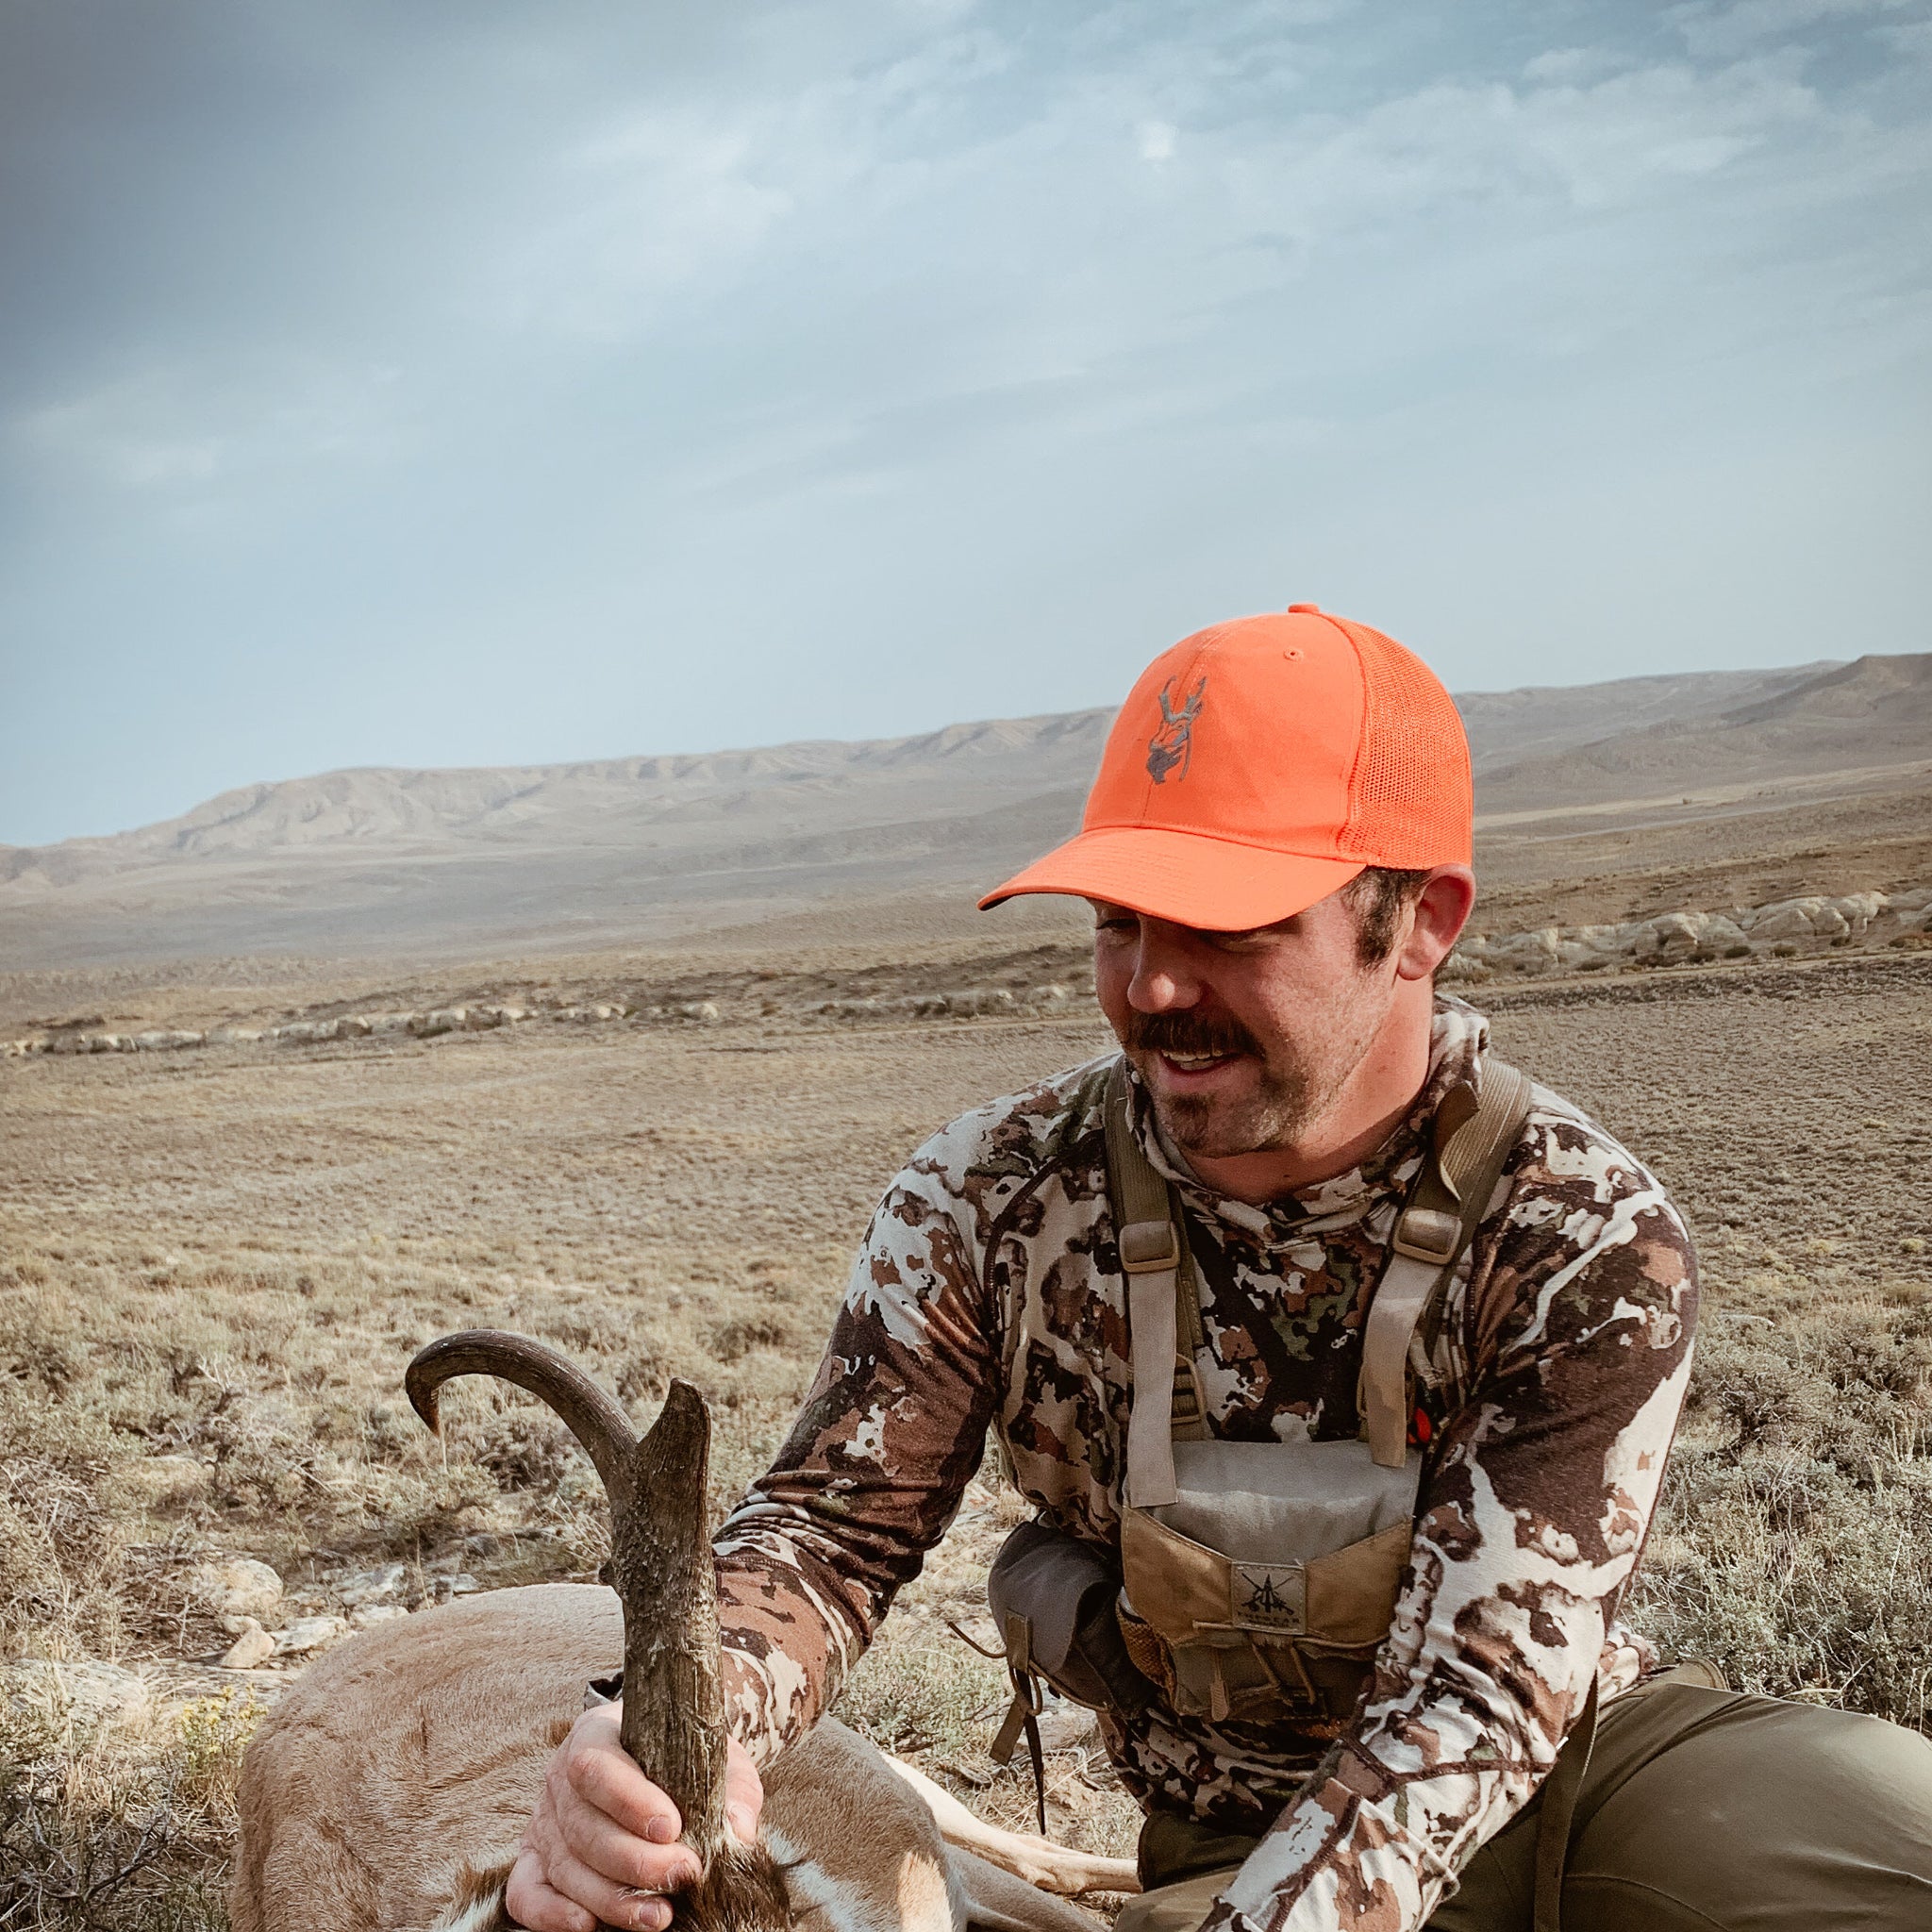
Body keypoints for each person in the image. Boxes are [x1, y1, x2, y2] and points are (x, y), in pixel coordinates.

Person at [506, 608, 1932, 1932]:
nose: (1154, 989)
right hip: (1237, 1839)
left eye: (1229, 930)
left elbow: (1481, 1698)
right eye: (1121, 925)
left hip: (1578, 1771)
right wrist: (669, 1737)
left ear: (1421, 920)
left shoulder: (1577, 1237)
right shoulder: (989, 1199)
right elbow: (825, 1538)